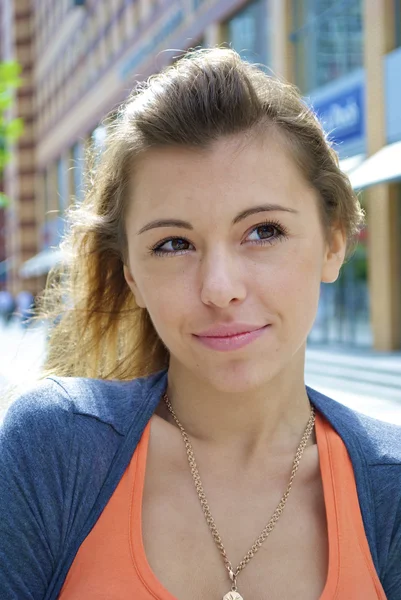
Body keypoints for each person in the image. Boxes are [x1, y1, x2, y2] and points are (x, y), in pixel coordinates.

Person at [0, 48, 400, 600]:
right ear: (132, 276)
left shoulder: (390, 486)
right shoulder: (54, 450)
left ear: (334, 242)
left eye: (263, 232)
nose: (220, 287)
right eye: (173, 244)